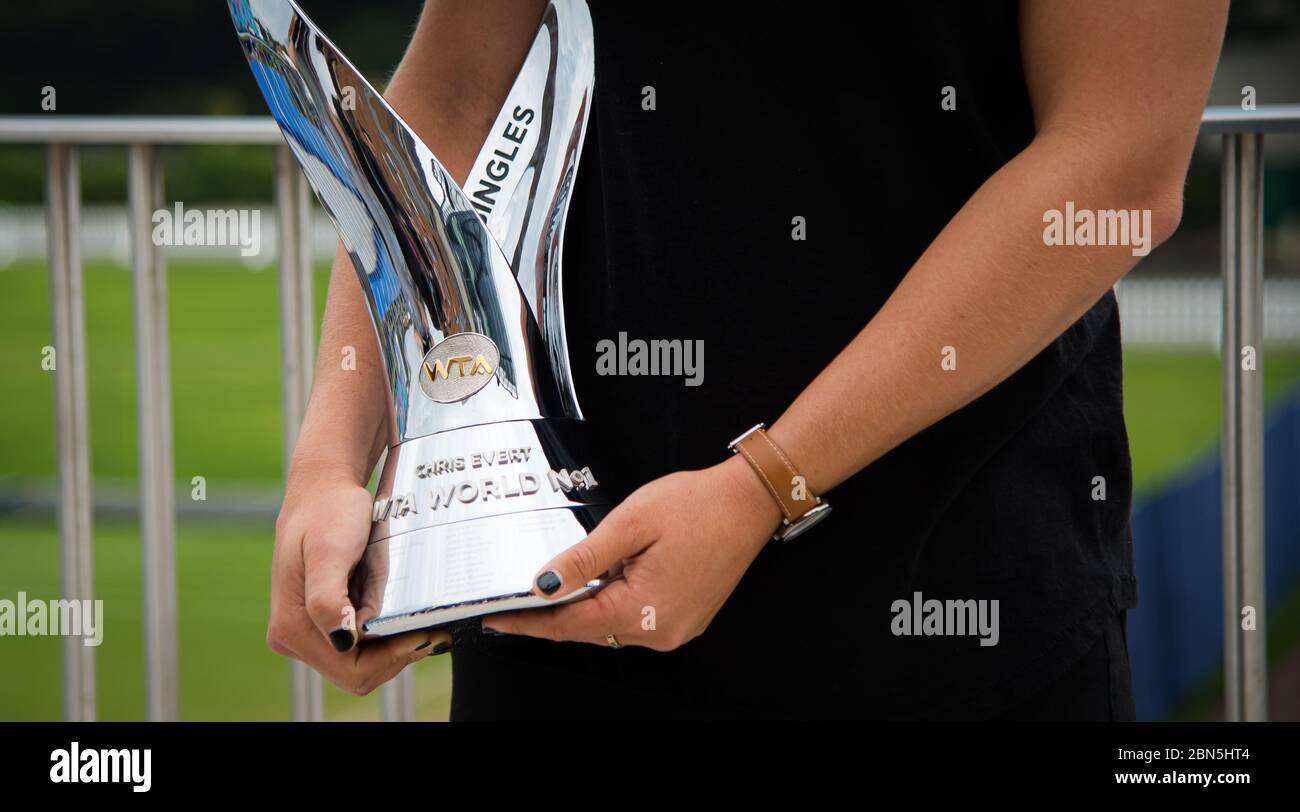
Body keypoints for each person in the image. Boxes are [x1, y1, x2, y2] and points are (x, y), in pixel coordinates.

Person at [266, 0, 1229, 720]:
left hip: (954, 617)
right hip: (564, 591)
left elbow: (1120, 161)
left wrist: (762, 486)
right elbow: (456, 91)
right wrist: (328, 462)